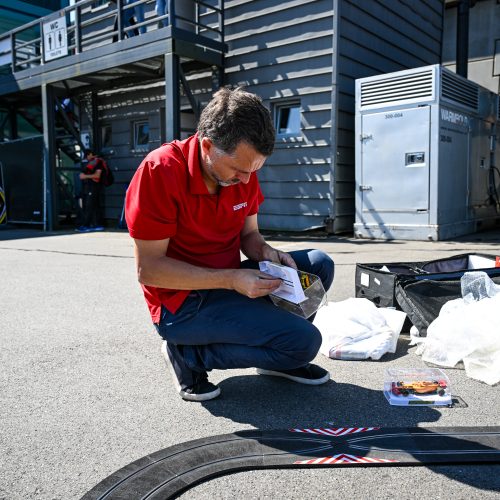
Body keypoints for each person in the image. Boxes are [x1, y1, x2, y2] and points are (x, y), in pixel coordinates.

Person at [125, 87, 334, 401]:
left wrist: (266, 252)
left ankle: (282, 358)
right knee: (305, 342)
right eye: (239, 170)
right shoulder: (160, 171)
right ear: (207, 146)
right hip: (183, 304)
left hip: (230, 282)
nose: (247, 180)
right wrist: (233, 279)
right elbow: (150, 270)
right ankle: (188, 357)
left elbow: (249, 236)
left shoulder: (242, 169)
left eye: (253, 171)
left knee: (318, 264)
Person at [76, 149, 105, 232]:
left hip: (94, 187)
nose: (86, 158)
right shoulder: (91, 163)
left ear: (91, 154)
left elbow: (97, 175)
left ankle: (86, 225)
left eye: (87, 156)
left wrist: (85, 176)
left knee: (89, 206)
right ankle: (96, 224)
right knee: (94, 206)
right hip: (90, 188)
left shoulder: (98, 162)